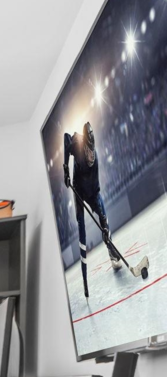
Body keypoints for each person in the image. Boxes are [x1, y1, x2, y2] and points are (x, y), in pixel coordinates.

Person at [64, 122, 123, 299]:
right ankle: (84, 280)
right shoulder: (77, 143)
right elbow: (65, 137)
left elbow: (96, 192)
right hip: (79, 193)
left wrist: (103, 226)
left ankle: (113, 255)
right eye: (88, 151)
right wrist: (65, 167)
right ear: (84, 147)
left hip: (92, 192)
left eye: (92, 151)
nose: (91, 156)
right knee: (82, 233)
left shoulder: (94, 158)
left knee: (105, 219)